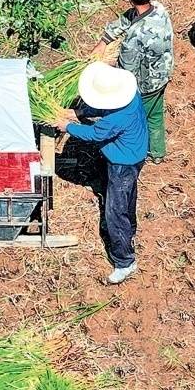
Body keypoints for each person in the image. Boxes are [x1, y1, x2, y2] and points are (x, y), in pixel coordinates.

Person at [56, 62, 148, 285]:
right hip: (135, 154)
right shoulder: (131, 97)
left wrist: (67, 126)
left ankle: (125, 262)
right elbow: (104, 108)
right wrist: (79, 113)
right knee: (128, 198)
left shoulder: (117, 118)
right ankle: (130, 231)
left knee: (115, 211)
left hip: (122, 164)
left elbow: (94, 134)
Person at [91, 0, 174, 164]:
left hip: (145, 85)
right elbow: (128, 19)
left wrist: (105, 66)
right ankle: (157, 152)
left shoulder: (135, 36)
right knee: (155, 114)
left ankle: (137, 154)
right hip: (162, 74)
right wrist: (104, 41)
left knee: (138, 119)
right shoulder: (159, 9)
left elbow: (126, 70)